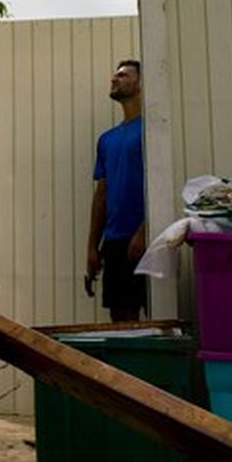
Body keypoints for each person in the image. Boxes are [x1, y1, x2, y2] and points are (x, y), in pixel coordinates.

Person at [86, 60, 147, 321]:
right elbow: (101, 194)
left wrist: (144, 230)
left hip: (147, 239)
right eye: (115, 74)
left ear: (141, 83)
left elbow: (162, 183)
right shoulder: (107, 139)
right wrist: (92, 246)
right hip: (114, 241)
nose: (114, 79)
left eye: (123, 75)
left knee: (157, 314)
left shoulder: (152, 130)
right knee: (121, 319)